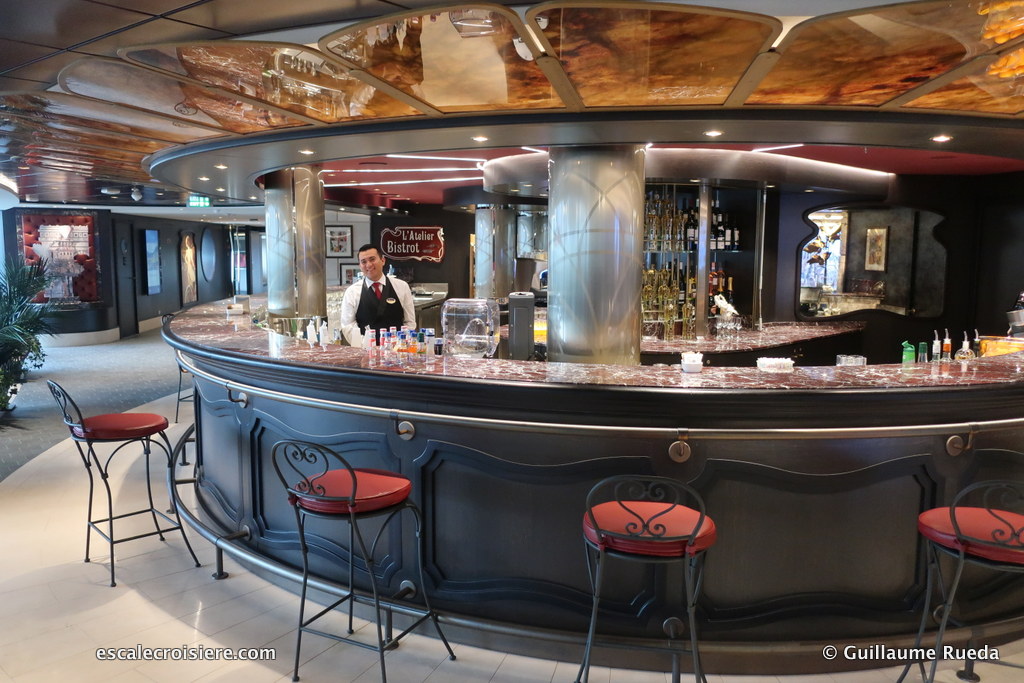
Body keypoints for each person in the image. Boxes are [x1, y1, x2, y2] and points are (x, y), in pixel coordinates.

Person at [340, 243, 416, 347]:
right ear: (360, 266)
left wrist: (400, 344)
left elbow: (410, 322)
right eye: (363, 262)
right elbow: (348, 326)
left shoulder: (402, 287)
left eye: (372, 259)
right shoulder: (352, 292)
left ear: (383, 260)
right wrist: (367, 345)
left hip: (397, 350)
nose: (368, 265)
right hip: (365, 350)